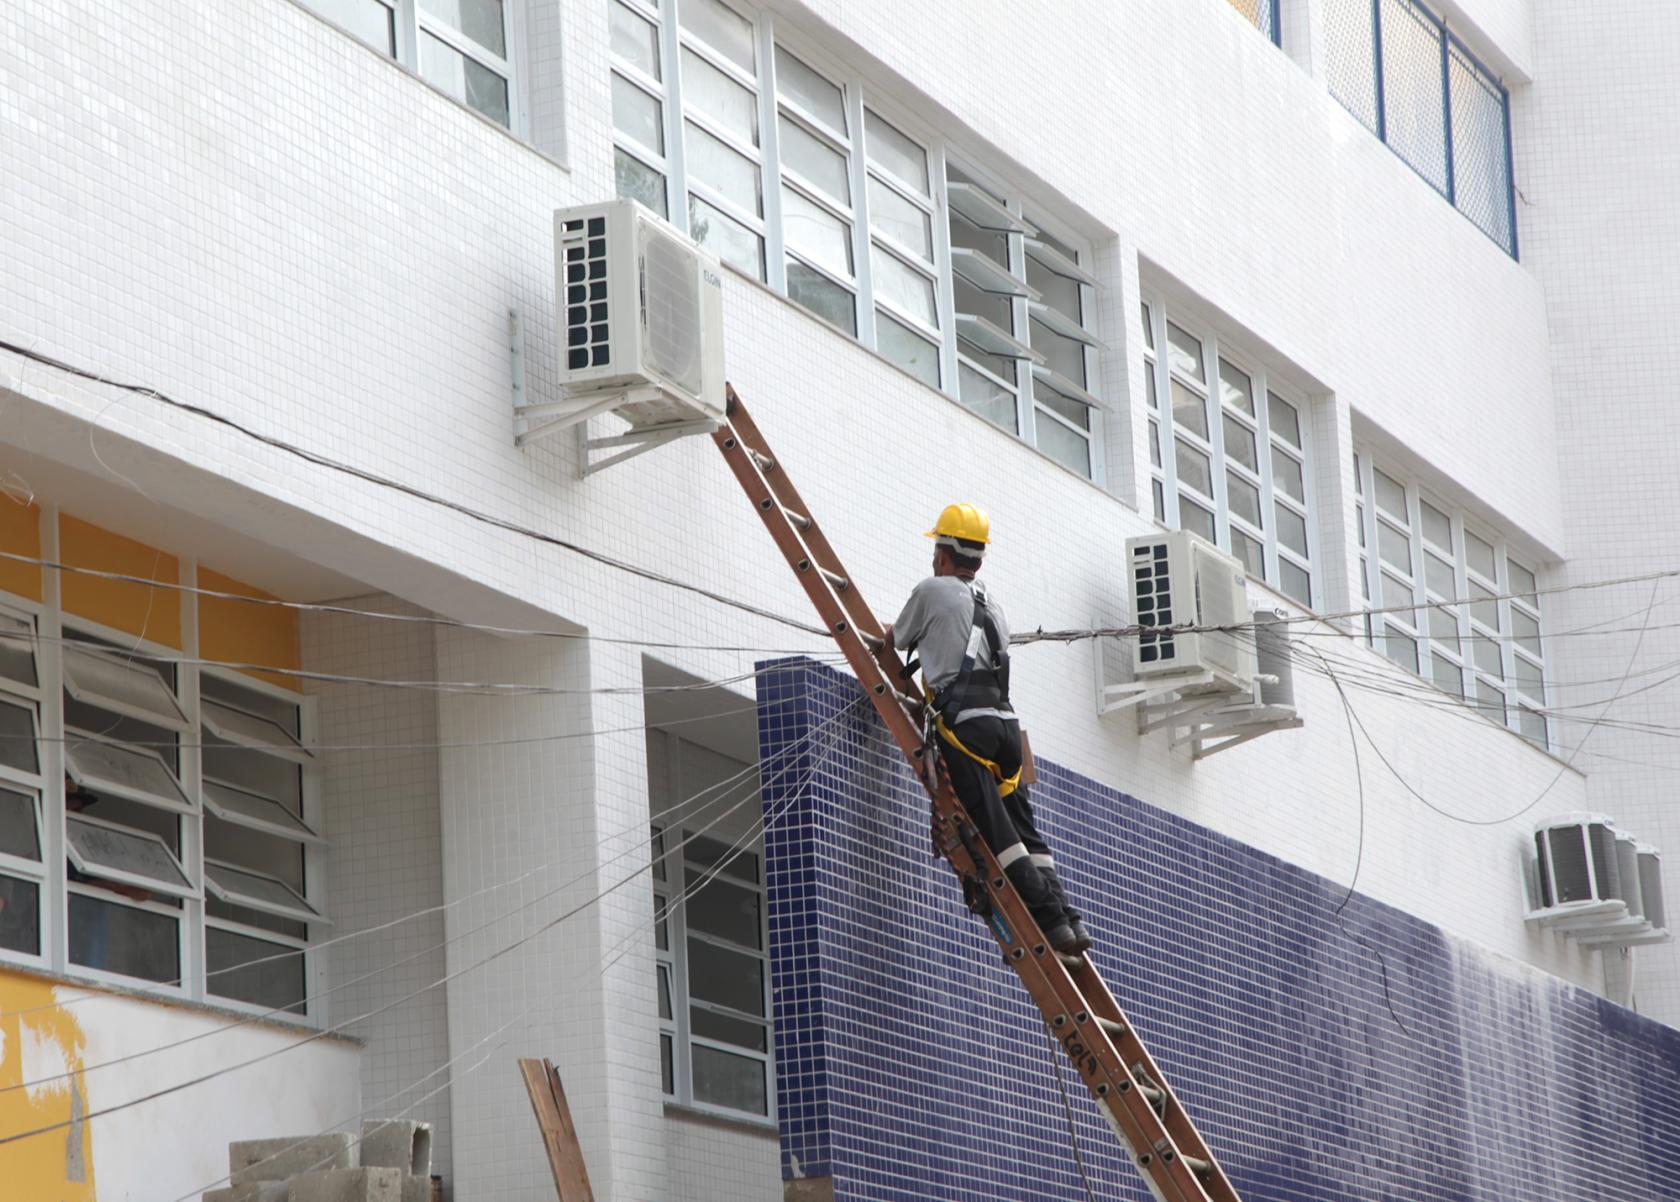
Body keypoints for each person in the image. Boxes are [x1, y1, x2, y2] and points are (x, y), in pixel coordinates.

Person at [884, 503, 1092, 955]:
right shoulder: (992, 604)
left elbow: (896, 639)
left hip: (968, 730)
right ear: (977, 558)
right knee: (1026, 832)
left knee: (999, 836)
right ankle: (1069, 918)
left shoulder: (932, 590)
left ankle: (1053, 923)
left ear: (942, 552)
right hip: (1006, 731)